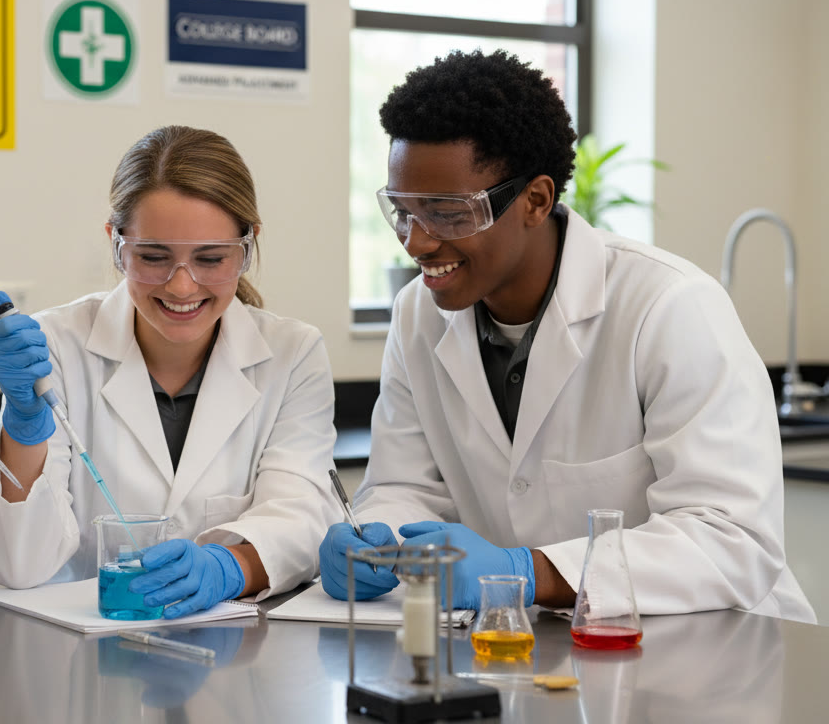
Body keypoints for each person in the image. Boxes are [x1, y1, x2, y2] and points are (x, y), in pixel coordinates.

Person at [318, 50, 815, 623]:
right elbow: (407, 485)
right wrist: (378, 539)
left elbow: (732, 540)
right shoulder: (417, 316)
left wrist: (531, 572)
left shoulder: (669, 308)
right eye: (402, 211)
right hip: (547, 652)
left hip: (716, 647)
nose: (417, 242)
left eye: (449, 213)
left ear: (535, 200)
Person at [0, 125, 337, 617]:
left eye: (210, 258)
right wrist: (23, 424)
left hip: (229, 659)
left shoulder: (293, 353)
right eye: (153, 257)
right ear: (116, 244)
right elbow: (15, 563)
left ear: (248, 246)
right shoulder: (55, 345)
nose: (182, 286)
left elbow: (302, 516)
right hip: (88, 663)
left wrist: (226, 568)